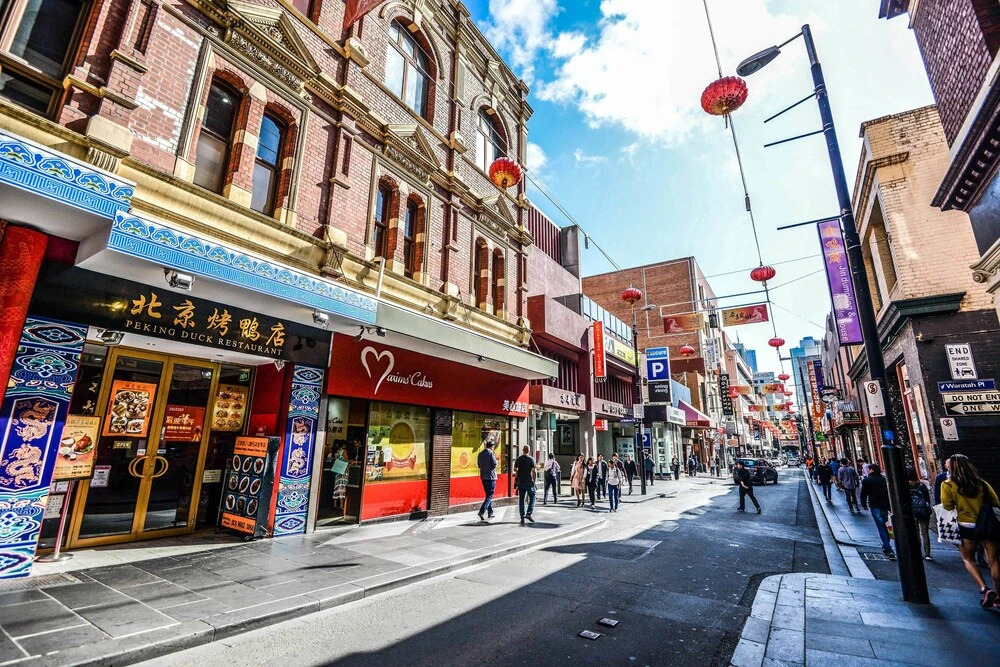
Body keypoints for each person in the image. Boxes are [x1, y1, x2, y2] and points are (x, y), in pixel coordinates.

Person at [940, 453, 1000, 608]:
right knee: (994, 561)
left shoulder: (948, 485)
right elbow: (996, 502)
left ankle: (984, 588)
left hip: (966, 526)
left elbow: (947, 506)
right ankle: (999, 596)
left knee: (968, 559)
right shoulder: (982, 484)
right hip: (986, 524)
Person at [860, 463, 895, 560]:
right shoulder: (884, 480)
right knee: (886, 526)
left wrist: (864, 504)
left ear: (871, 470)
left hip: (875, 506)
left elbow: (863, 493)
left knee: (881, 527)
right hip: (886, 506)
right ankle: (886, 545)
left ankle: (888, 548)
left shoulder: (867, 481)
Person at [907, 466, 933, 561]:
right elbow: (927, 499)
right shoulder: (921, 486)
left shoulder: (906, 486)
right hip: (923, 511)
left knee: (915, 533)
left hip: (912, 511)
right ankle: (927, 553)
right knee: (925, 533)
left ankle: (918, 552)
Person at [514, 446, 536, 525]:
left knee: (521, 499)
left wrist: (518, 475)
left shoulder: (518, 459)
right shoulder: (531, 459)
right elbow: (534, 471)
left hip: (521, 481)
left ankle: (522, 517)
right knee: (532, 496)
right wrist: (534, 481)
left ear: (523, 450)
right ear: (529, 451)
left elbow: (515, 469)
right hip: (529, 481)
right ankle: (528, 513)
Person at [477, 440, 498, 521]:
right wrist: (497, 461)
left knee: (488, 495)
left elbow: (479, 465)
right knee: (490, 495)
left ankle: (490, 513)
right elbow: (494, 464)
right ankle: (482, 511)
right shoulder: (490, 453)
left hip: (483, 477)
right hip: (491, 477)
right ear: (492, 447)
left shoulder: (480, 454)